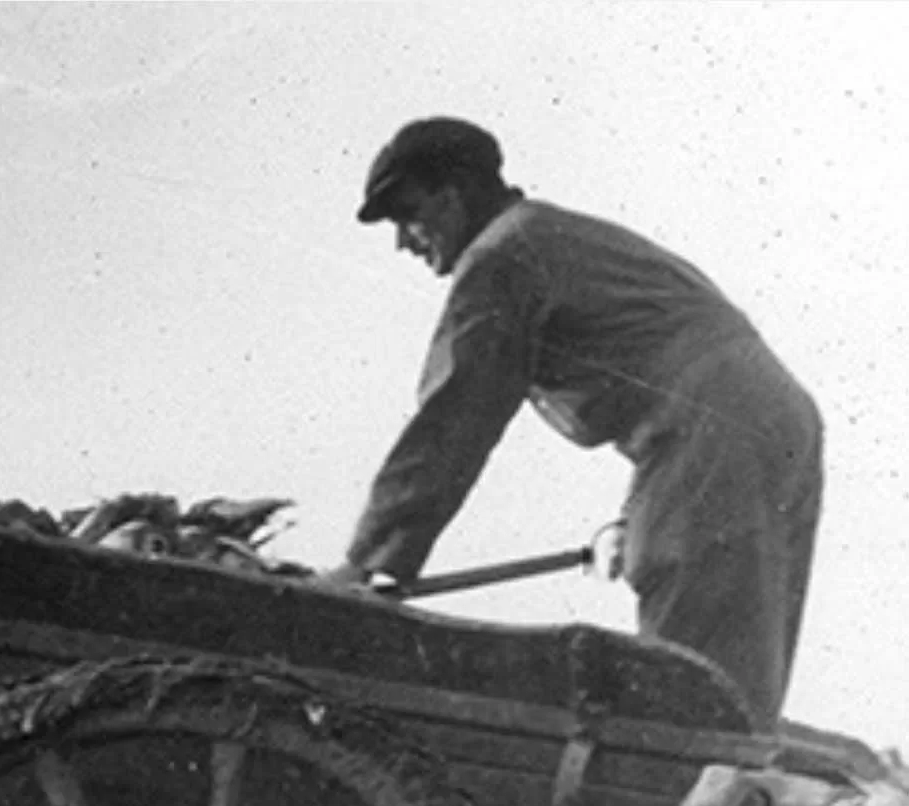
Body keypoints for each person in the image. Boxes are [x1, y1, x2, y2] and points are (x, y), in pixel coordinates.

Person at [328, 116, 823, 725]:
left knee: (694, 691)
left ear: (453, 194)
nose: (404, 242)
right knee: (737, 671)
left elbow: (457, 417)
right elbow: (680, 369)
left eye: (408, 216)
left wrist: (370, 563)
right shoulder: (549, 234)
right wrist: (643, 512)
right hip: (765, 421)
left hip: (717, 432)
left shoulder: (503, 254)